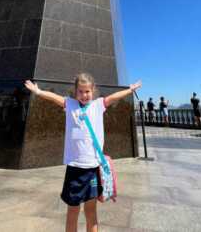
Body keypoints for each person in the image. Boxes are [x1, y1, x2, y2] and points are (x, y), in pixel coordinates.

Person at [25, 73, 141, 232]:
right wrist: (38, 92)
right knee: (72, 211)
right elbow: (54, 97)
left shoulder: (98, 105)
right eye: (80, 91)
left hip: (93, 168)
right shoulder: (70, 104)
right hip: (74, 168)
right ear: (75, 91)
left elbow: (113, 97)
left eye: (87, 91)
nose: (84, 95)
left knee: (91, 211)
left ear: (93, 90)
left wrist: (129, 90)